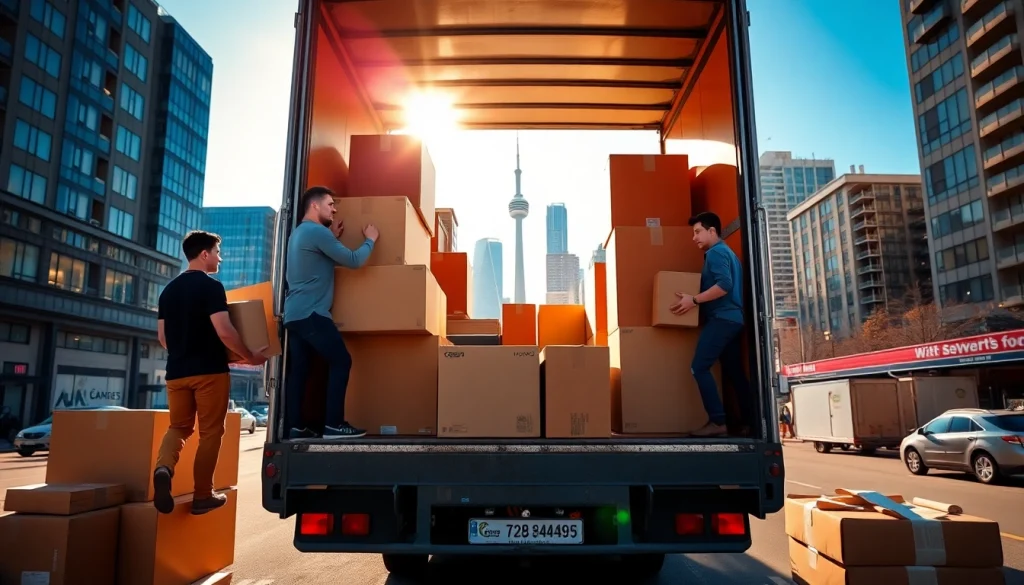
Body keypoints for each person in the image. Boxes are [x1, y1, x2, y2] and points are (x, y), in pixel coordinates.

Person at [154, 230, 268, 515]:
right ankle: (203, 495)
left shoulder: (168, 291)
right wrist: (250, 356)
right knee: (211, 433)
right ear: (204, 254)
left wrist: (183, 350)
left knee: (179, 427)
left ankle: (163, 468)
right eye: (217, 252)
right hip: (209, 372)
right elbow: (225, 332)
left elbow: (163, 338)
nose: (220, 258)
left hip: (176, 373)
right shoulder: (211, 286)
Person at [283, 185, 379, 440]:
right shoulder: (317, 232)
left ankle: (296, 427)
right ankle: (334, 425)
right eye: (330, 204)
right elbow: (354, 260)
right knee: (341, 361)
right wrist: (370, 239)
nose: (334, 210)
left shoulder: (299, 233)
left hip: (294, 314)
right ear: (314, 205)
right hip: (312, 313)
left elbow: (320, 259)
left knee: (300, 371)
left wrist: (332, 238)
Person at [670, 211, 756, 437]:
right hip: (734, 320)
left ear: (712, 231)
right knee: (734, 372)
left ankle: (718, 421)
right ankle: (749, 422)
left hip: (722, 319)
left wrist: (694, 300)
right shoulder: (729, 253)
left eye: (698, 232)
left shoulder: (715, 253)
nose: (694, 237)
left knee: (699, 367)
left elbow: (724, 285)